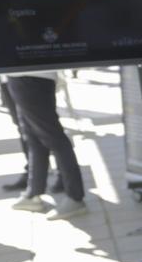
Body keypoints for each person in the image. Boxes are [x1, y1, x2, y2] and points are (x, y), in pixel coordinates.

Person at [5, 71, 87, 218]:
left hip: (29, 75)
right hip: (27, 75)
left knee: (54, 138)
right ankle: (33, 193)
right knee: (35, 139)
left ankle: (75, 197)